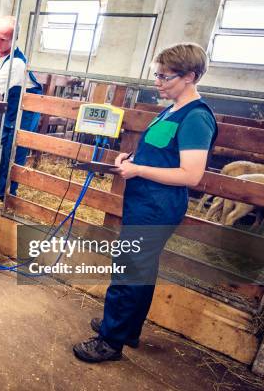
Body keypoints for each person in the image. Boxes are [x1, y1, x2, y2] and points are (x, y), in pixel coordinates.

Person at [73, 43, 218, 363]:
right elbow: (161, 153)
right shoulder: (172, 109)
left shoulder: (196, 117)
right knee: (142, 269)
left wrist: (137, 169)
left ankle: (109, 342)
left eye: (165, 77)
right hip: (144, 202)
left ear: (190, 77)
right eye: (157, 75)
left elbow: (191, 175)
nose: (158, 82)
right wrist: (132, 158)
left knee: (128, 269)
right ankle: (127, 328)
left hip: (158, 206)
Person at [0, 16, 43, 199]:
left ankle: (8, 195)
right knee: (3, 144)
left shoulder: (17, 63)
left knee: (14, 150)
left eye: (3, 39)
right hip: (11, 103)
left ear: (14, 40)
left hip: (25, 110)